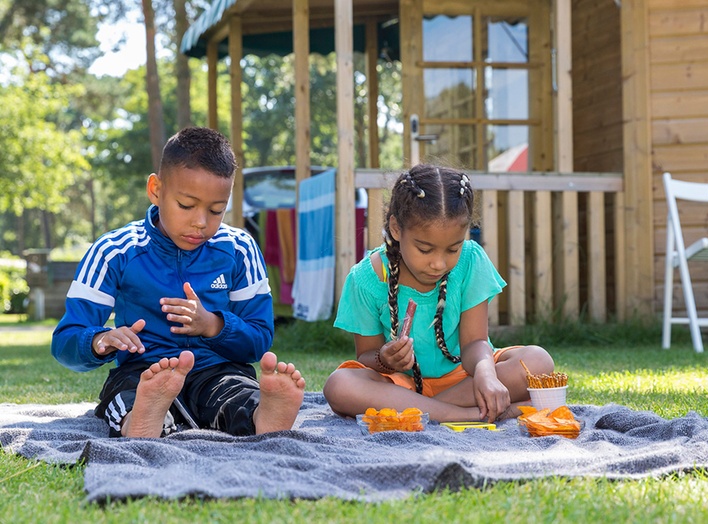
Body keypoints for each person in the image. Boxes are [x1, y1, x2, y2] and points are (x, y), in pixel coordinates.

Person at [51, 127, 305, 438]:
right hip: (143, 372)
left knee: (238, 394)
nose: (201, 223)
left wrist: (213, 325)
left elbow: (260, 337)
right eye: (186, 205)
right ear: (156, 189)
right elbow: (66, 339)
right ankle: (142, 420)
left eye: (216, 210)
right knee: (127, 398)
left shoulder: (239, 248)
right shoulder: (115, 250)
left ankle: (264, 418)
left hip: (217, 371)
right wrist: (100, 340)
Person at [323, 164, 554, 423]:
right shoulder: (367, 278)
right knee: (339, 385)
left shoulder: (471, 261)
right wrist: (385, 359)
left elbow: (474, 343)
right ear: (396, 229)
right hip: (401, 386)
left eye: (452, 249)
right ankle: (469, 414)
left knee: (538, 361)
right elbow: (366, 357)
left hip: (464, 380)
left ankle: (422, 411)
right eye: (425, 250)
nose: (439, 264)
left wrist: (486, 374)